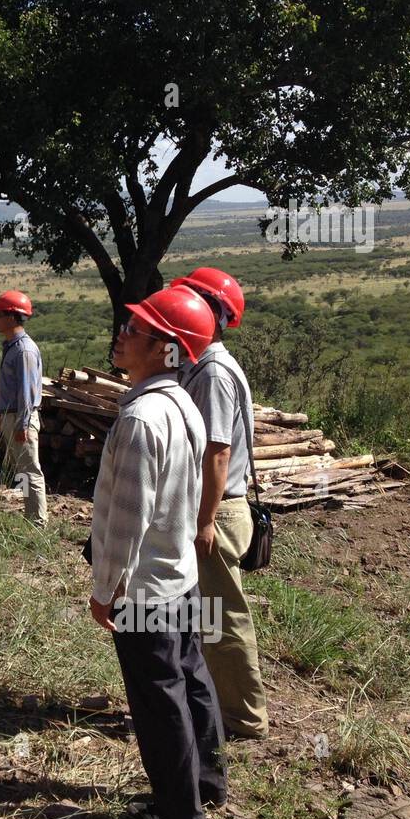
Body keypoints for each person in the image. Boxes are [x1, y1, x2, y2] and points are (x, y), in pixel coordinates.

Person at [88, 284, 226, 819]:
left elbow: (127, 518)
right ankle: (207, 783)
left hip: (144, 588)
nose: (122, 335)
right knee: (190, 675)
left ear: (168, 349)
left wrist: (106, 591)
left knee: (156, 698)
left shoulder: (142, 419)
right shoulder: (182, 404)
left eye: (135, 331)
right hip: (179, 577)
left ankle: (176, 812)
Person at [173, 267, 269, 740]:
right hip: (215, 506)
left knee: (222, 618)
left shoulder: (210, 371)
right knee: (207, 614)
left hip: (216, 508)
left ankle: (243, 719)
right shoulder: (202, 364)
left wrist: (203, 521)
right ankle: (218, 707)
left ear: (211, 312)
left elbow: (217, 452)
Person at [0, 290, 47, 526]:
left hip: (19, 417)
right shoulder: (13, 346)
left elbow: (26, 392)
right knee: (22, 470)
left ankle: (37, 522)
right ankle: (30, 516)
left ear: (12, 317)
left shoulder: (23, 350)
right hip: (11, 415)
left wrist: (21, 423)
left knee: (30, 471)